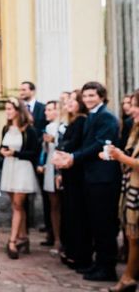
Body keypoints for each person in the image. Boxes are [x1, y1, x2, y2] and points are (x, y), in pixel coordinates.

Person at [54, 81, 121, 282]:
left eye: (92, 95)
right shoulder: (93, 115)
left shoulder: (106, 117)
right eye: (86, 96)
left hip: (104, 178)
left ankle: (107, 267)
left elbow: (100, 144)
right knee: (95, 223)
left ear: (101, 96)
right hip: (91, 177)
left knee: (104, 224)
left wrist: (73, 157)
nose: (88, 99)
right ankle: (98, 263)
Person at [101, 90, 139, 292]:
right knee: (133, 237)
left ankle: (128, 277)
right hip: (133, 188)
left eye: (135, 105)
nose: (131, 110)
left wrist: (119, 156)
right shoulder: (135, 128)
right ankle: (128, 277)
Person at [0, 97, 39, 259]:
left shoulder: (29, 130)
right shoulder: (5, 129)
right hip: (9, 168)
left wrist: (15, 153)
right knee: (17, 205)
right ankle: (23, 237)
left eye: (10, 108)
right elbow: (2, 145)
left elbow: (33, 153)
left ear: (18, 110)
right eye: (6, 108)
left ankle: (12, 241)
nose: (7, 111)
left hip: (22, 168)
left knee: (17, 204)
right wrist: (2, 151)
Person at [56, 90, 90, 270]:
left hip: (76, 173)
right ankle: (70, 251)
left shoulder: (81, 121)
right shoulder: (73, 121)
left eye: (73, 100)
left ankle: (78, 254)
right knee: (69, 213)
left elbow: (72, 144)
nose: (69, 103)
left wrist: (62, 151)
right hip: (68, 172)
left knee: (77, 215)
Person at [19, 81, 51, 240]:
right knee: (21, 195)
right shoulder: (19, 109)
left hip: (38, 156)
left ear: (32, 91)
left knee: (45, 192)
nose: (21, 92)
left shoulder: (42, 107)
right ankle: (24, 228)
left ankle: (48, 225)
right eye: (20, 89)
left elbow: (45, 130)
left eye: (24, 89)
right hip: (22, 157)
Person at [38, 100, 62, 252]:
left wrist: (54, 140)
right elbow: (45, 151)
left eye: (50, 110)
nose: (46, 112)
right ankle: (56, 238)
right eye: (45, 109)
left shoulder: (62, 125)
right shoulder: (48, 127)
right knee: (53, 204)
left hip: (60, 165)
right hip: (50, 164)